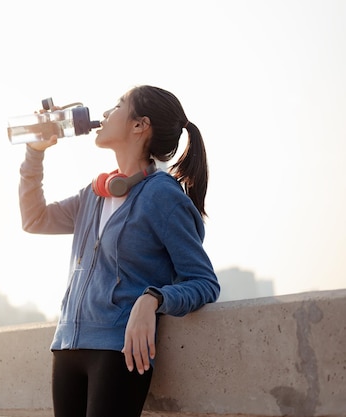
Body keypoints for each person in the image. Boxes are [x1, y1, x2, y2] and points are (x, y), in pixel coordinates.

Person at [18, 85, 220, 417]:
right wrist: (35, 152)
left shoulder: (161, 196)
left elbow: (203, 282)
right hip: (67, 346)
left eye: (119, 105)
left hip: (118, 352)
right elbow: (34, 219)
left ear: (140, 125)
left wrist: (152, 298)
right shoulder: (93, 195)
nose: (108, 113)